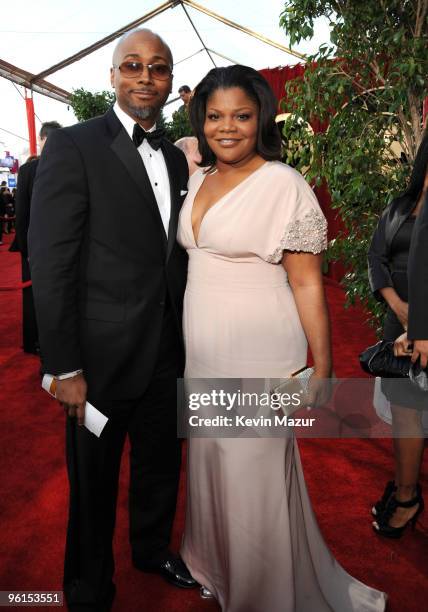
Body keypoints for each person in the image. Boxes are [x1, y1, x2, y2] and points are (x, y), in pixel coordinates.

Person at [177, 65, 387, 612]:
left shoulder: (282, 183)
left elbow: (307, 282)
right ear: (200, 119)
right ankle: (218, 568)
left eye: (241, 116)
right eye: (215, 116)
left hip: (261, 347)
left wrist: (323, 366)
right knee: (212, 464)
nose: (228, 128)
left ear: (261, 118)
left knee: (254, 477)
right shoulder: (198, 175)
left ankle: (262, 596)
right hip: (203, 348)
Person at [28, 28, 196, 611]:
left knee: (160, 466)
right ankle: (88, 587)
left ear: (171, 82)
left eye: (158, 67)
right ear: (113, 77)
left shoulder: (177, 157)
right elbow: (50, 264)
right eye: (133, 65)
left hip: (165, 353)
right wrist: (63, 365)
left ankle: (151, 549)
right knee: (93, 484)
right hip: (96, 362)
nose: (146, 76)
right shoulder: (74, 146)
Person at [368, 133, 427, 538]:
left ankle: (407, 497)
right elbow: (376, 256)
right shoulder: (402, 205)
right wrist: (397, 305)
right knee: (405, 416)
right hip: (399, 323)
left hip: (423, 331)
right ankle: (407, 494)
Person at [13, 121, 62, 355]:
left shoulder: (28, 170)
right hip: (67, 246)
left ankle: (34, 341)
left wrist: (26, 251)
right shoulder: (71, 165)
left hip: (35, 249)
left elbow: (21, 215)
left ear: (42, 139)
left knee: (33, 297)